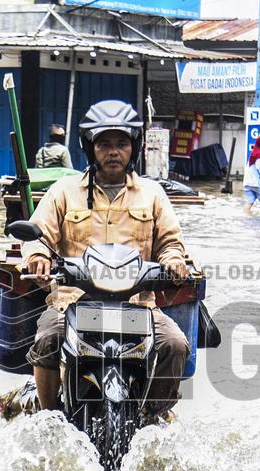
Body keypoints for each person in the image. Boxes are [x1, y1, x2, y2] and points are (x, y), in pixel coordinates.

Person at [23, 100, 190, 420]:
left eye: (121, 143)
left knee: (175, 344)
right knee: (47, 338)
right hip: (71, 303)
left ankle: (153, 416)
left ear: (134, 148)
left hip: (138, 305)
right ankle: (49, 419)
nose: (113, 151)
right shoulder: (64, 190)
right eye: (104, 144)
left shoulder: (153, 193)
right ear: (90, 147)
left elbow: (170, 242)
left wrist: (173, 261)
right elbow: (37, 235)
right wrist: (39, 257)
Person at [243, 135, 260, 215]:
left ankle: (244, 216)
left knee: (250, 202)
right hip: (256, 183)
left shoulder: (253, 153)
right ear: (259, 143)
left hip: (247, 182)